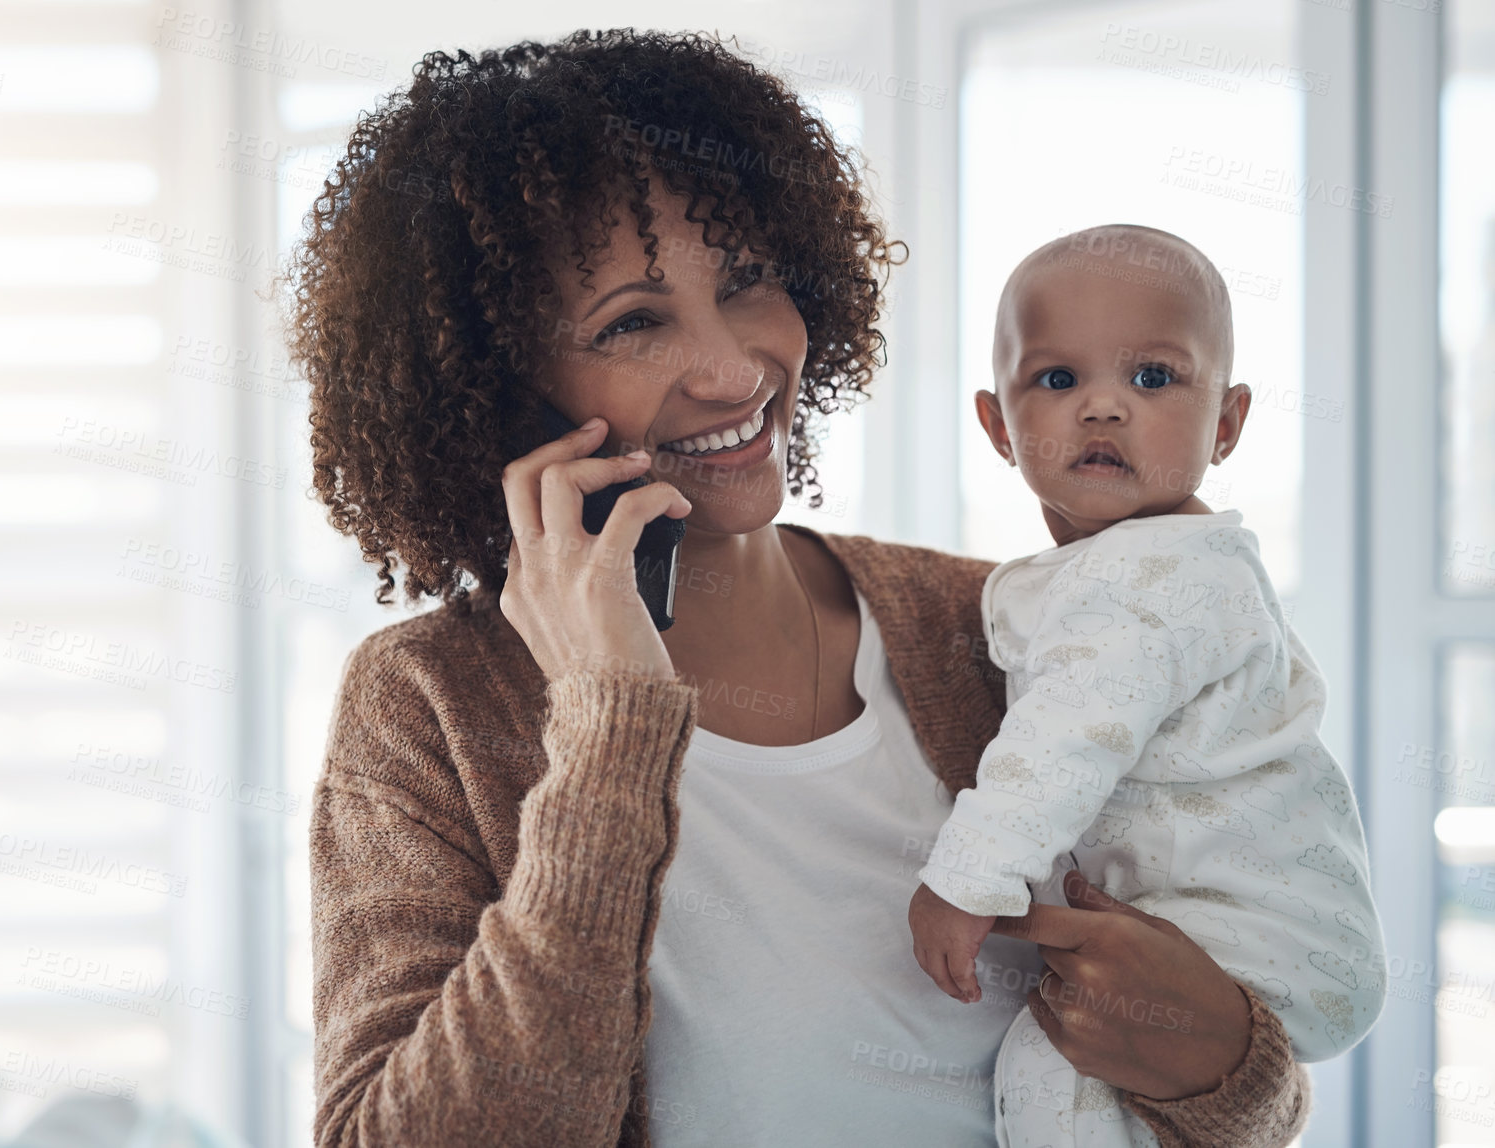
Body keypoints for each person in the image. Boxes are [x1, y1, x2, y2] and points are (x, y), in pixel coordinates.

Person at [290, 30, 1313, 1147]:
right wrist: (611, 731)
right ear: (498, 388)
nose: (734, 370)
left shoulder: (1001, 626)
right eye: (634, 321)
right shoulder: (428, 702)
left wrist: (1220, 1053)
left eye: (746, 283)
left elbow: (1242, 1080)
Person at [905, 225, 1386, 1147]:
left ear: (1229, 422)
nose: (1103, 409)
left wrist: (963, 881)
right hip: (1250, 929)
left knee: (1053, 1060)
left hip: (1245, 930)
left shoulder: (1152, 581)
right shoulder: (1150, 568)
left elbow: (1064, 742)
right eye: (1057, 380)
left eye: (1154, 379)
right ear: (999, 426)